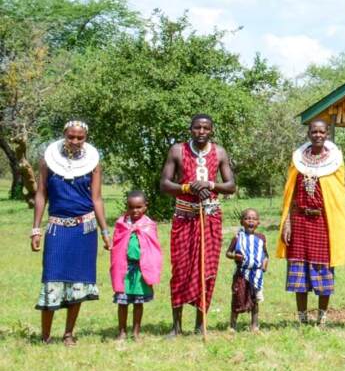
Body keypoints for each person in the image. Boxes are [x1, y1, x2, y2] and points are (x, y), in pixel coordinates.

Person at [30, 120, 110, 345]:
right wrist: (36, 229)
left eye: (80, 137)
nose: (75, 141)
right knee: (51, 278)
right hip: (57, 228)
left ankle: (68, 334)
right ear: (64, 135)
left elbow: (96, 198)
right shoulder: (48, 160)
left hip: (85, 229)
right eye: (71, 136)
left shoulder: (93, 163)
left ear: (85, 138)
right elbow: (41, 195)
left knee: (79, 280)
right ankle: (45, 336)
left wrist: (105, 231)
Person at [159, 114, 236, 336]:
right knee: (181, 269)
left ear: (211, 130)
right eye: (197, 128)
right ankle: (176, 327)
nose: (201, 131)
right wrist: (188, 188)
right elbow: (165, 184)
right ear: (190, 129)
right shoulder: (177, 150)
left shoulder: (219, 152)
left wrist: (210, 184)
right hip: (184, 216)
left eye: (205, 128)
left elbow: (230, 185)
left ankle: (200, 324)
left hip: (210, 216)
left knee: (207, 268)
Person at [276, 119, 345, 327]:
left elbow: (337, 196)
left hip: (324, 222)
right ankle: (302, 317)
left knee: (323, 268)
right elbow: (291, 194)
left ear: (327, 134)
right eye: (314, 131)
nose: (318, 135)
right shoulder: (298, 160)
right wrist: (287, 222)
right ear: (308, 134)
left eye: (321, 131)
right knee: (299, 267)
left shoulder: (335, 161)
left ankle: (322, 316)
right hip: (299, 221)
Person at [109, 190, 163, 340]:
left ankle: (136, 332)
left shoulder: (149, 225)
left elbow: (153, 248)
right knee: (123, 302)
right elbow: (117, 246)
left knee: (138, 303)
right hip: (124, 269)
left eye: (139, 207)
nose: (135, 211)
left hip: (141, 270)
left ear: (145, 206)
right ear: (127, 207)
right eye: (131, 207)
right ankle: (121, 331)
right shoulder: (121, 224)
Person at [226, 208, 268, 332]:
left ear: (258, 223)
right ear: (241, 222)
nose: (251, 221)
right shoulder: (238, 237)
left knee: (255, 299)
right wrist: (235, 256)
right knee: (237, 297)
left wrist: (265, 264)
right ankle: (232, 325)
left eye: (254, 219)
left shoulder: (261, 238)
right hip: (241, 273)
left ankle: (254, 325)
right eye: (247, 218)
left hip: (256, 274)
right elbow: (228, 253)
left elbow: (265, 254)